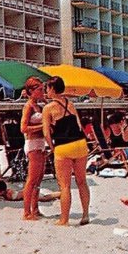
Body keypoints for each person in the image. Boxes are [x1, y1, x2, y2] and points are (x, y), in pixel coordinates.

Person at [42, 76, 90, 226]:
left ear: (52, 89)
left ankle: (64, 220)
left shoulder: (48, 108)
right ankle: (85, 215)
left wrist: (52, 148)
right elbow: (78, 124)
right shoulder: (70, 103)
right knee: (82, 181)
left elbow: (46, 133)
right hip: (80, 144)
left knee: (64, 186)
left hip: (64, 146)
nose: (46, 91)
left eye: (47, 88)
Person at [20, 77, 47, 221]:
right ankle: (26, 212)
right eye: (40, 89)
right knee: (31, 179)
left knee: (39, 178)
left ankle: (35, 209)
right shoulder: (28, 106)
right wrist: (43, 126)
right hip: (33, 143)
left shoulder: (40, 106)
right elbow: (23, 128)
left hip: (41, 142)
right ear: (31, 91)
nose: (43, 92)